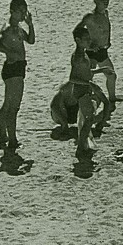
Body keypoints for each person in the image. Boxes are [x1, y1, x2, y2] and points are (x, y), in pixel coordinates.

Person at [50, 25, 112, 157]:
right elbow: (73, 78)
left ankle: (82, 146)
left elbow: (85, 72)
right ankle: (80, 147)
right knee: (88, 119)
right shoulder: (78, 56)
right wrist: (90, 83)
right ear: (78, 40)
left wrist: (102, 70)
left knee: (88, 119)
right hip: (80, 90)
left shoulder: (83, 53)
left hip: (85, 88)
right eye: (86, 39)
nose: (89, 41)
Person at [0, 0, 35, 150]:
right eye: (21, 11)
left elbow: (31, 40)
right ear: (12, 11)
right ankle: (12, 139)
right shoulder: (8, 28)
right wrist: (10, 52)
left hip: (17, 68)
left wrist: (30, 25)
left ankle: (3, 134)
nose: (24, 14)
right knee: (14, 107)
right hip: (13, 69)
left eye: (25, 11)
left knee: (7, 104)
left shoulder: (17, 28)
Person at [76, 0, 120, 111]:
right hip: (91, 52)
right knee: (87, 78)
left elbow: (107, 28)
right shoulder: (90, 16)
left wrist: (108, 40)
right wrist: (88, 45)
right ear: (95, 1)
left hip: (102, 51)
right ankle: (84, 101)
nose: (106, 1)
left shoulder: (105, 13)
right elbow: (76, 31)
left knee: (112, 75)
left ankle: (112, 98)